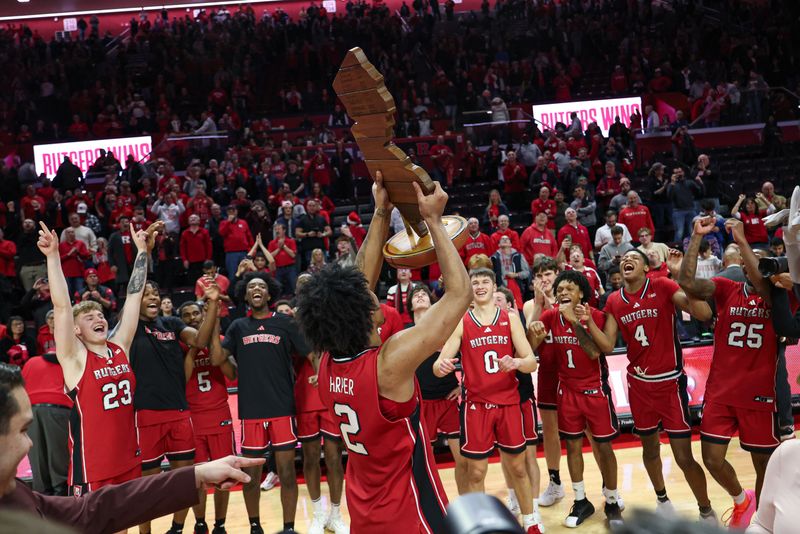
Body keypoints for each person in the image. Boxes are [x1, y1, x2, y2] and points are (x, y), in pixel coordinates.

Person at [295, 176, 471, 533]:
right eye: (366, 298)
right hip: (409, 511)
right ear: (361, 316)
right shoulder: (388, 363)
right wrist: (435, 221)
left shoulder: (328, 362)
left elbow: (355, 282)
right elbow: (459, 295)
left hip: (363, 507)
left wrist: (380, 212)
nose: (370, 291)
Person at [0, 361, 263, 533]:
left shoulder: (15, 494)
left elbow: (95, 508)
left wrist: (197, 475)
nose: (30, 443)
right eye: (23, 430)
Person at [586, 247, 717, 522]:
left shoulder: (662, 285)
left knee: (683, 457)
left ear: (647, 268)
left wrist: (681, 275)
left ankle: (705, 508)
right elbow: (608, 345)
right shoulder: (614, 300)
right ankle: (662, 499)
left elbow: (703, 313)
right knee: (650, 449)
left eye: (634, 258)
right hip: (639, 386)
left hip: (669, 383)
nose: (627, 261)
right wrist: (585, 323)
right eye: (623, 260)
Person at [36, 220, 153, 496]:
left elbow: (134, 296)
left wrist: (141, 252)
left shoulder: (119, 347)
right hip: (93, 466)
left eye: (100, 315)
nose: (98, 318)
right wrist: (53, 257)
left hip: (128, 457)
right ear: (76, 330)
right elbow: (62, 307)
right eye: (89, 318)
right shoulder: (74, 357)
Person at [677, 217, 778, 528]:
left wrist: (744, 241)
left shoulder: (780, 296)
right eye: (748, 260)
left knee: (764, 466)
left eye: (759, 260)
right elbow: (687, 282)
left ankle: (761, 522)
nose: (752, 264)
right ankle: (740, 500)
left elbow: (763, 283)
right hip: (721, 391)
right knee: (712, 460)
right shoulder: (725, 287)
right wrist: (695, 237)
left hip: (759, 393)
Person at [434, 268, 543, 533]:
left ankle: (531, 522)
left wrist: (516, 361)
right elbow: (438, 365)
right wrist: (443, 365)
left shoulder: (510, 318)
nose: (480, 286)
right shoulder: (462, 321)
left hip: (508, 404)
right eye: (475, 282)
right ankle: (479, 523)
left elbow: (531, 363)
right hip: (476, 407)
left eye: (485, 282)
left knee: (518, 469)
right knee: (476, 472)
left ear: (495, 288)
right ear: (470, 289)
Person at [213, 272, 311, 534]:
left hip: (282, 407)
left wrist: (320, 380)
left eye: (262, 286)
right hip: (251, 410)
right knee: (251, 476)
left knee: (287, 472)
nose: (257, 289)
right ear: (246, 294)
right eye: (252, 286)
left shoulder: (285, 323)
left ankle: (288, 528)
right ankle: (255, 526)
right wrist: (213, 312)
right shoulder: (237, 328)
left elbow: (311, 353)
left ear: (270, 294)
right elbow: (218, 359)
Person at [529, 270, 623, 527]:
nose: (562, 293)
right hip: (566, 392)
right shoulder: (551, 316)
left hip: (595, 391)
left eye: (568, 289)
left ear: (581, 293)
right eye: (559, 290)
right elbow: (530, 346)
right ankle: (581, 501)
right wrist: (535, 330)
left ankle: (612, 501)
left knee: (603, 447)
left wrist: (575, 322)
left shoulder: (596, 316)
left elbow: (597, 351)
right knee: (571, 447)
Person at [129, 275, 217, 534]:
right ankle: (145, 532)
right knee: (147, 486)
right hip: (145, 414)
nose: (153, 296)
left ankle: (176, 529)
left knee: (185, 482)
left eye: (155, 292)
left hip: (179, 412)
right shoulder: (129, 325)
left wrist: (212, 306)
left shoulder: (171, 323)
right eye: (146, 293)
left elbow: (199, 340)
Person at [177, 300, 236, 534]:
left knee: (224, 476)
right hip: (192, 418)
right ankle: (200, 523)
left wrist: (212, 338)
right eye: (186, 315)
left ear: (205, 315)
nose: (192, 318)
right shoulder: (178, 348)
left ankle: (220, 525)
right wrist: (194, 344)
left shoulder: (219, 343)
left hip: (219, 414)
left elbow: (231, 375)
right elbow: (182, 379)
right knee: (197, 478)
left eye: (196, 313)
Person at [407, 284, 467, 495]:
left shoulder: (446, 328)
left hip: (448, 399)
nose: (421, 295)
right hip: (421, 404)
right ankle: (429, 504)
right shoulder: (404, 333)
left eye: (424, 293)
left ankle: (466, 504)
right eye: (416, 294)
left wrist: (463, 385)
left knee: (463, 459)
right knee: (425, 462)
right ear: (410, 305)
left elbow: (471, 354)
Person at [494, 288, 541, 521]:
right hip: (499, 400)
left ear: (511, 305)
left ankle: (533, 507)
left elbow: (531, 354)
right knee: (506, 455)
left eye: (499, 300)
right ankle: (514, 499)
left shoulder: (516, 325)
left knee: (529, 456)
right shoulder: (484, 326)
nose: (493, 304)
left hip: (522, 397)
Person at [21, 352, 72, 496]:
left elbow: (21, 388)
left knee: (39, 472)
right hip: (59, 410)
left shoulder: (32, 362)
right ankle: (63, 508)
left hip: (30, 411)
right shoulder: (69, 360)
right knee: (61, 470)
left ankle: (42, 511)